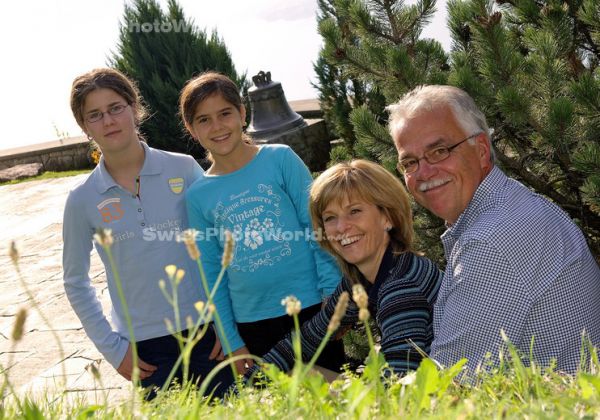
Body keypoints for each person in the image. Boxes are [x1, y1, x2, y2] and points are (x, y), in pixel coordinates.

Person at [387, 85, 600, 374]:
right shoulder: (510, 204)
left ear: (482, 151)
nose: (423, 173)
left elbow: (448, 386)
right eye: (410, 163)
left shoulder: (492, 240)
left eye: (439, 151)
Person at [63, 68, 233, 398]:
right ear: (84, 127)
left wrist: (228, 323)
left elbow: (221, 242)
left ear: (134, 108)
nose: (109, 121)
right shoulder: (82, 199)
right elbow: (75, 280)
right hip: (145, 350)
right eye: (95, 115)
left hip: (209, 333)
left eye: (115, 108)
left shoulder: (183, 168)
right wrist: (113, 348)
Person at [180, 72, 346, 375]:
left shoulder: (280, 160)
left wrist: (332, 297)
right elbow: (211, 271)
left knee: (334, 398)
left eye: (225, 113)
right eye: (203, 120)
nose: (217, 126)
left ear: (243, 113)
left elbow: (317, 230)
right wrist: (231, 340)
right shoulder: (198, 196)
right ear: (191, 128)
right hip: (253, 324)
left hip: (311, 308)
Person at [241, 159, 444, 380]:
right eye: (330, 218)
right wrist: (245, 385)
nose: (341, 227)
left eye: (354, 211)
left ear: (388, 217)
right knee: (293, 373)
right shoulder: (362, 279)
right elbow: (305, 340)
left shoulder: (401, 287)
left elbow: (399, 384)